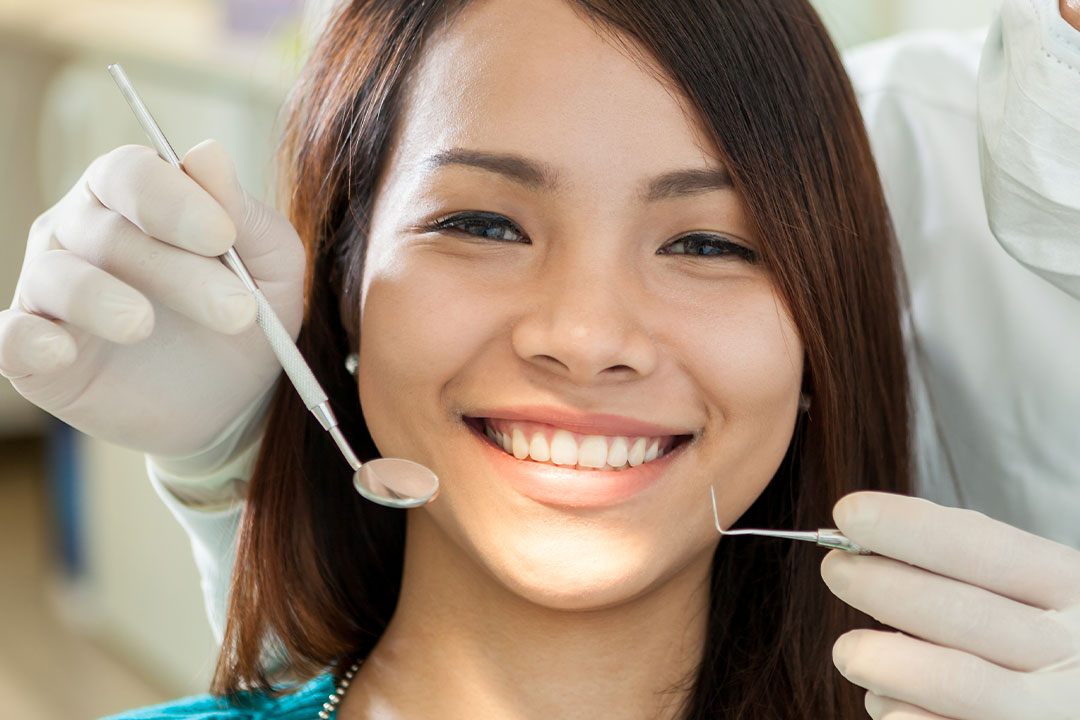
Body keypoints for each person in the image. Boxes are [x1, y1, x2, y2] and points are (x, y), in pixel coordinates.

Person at [2, 0, 1079, 718]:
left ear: (820, 346)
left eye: (708, 243)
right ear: (341, 289)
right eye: (480, 224)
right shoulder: (918, 115)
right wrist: (244, 454)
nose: (586, 335)